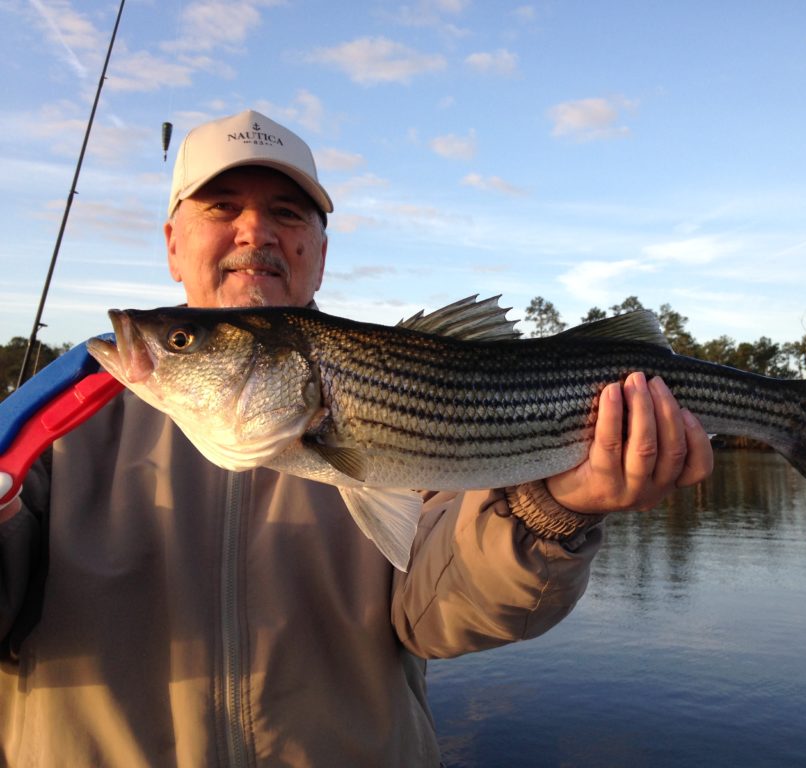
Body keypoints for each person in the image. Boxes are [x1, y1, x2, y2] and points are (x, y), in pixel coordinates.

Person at [0, 109, 713, 767]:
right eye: (223, 208)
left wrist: (551, 511)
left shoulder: (373, 383)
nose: (256, 232)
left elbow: (438, 616)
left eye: (286, 212)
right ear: (173, 242)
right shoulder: (50, 423)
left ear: (319, 248)